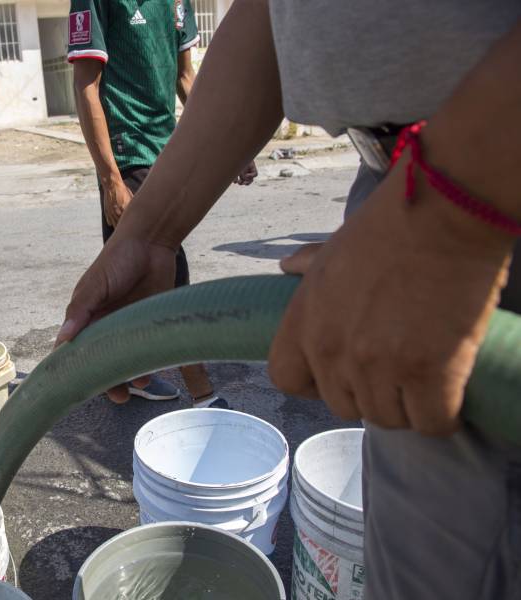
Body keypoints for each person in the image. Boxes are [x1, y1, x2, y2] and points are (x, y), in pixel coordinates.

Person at [58, 1, 521, 598]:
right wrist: (148, 236)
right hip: (414, 190)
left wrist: (453, 209)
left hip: (481, 197)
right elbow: (273, 15)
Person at [68, 0, 258, 408]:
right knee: (168, 265)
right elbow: (86, 85)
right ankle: (200, 388)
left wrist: (233, 141)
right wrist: (111, 179)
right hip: (126, 150)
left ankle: (132, 373)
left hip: (166, 148)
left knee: (134, 276)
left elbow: (187, 78)